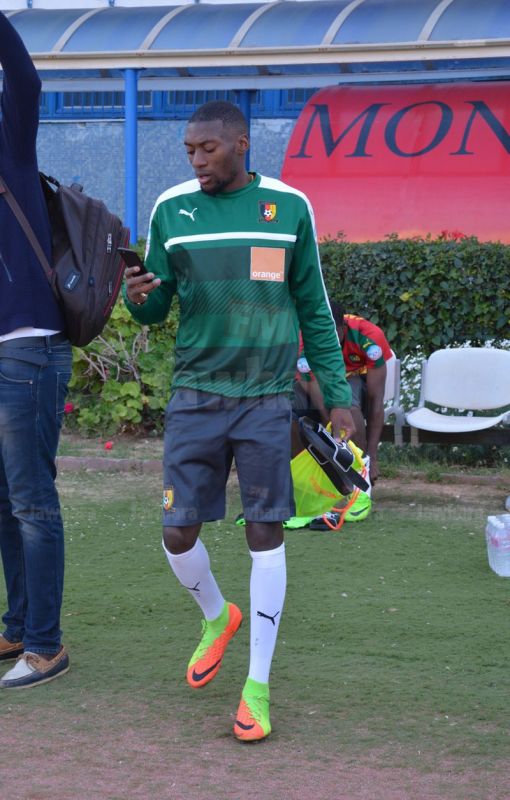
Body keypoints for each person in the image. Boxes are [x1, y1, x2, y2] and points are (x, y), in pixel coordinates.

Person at [123, 100, 354, 741]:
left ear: (242, 144)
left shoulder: (288, 207)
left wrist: (337, 396)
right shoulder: (172, 209)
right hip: (196, 395)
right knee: (177, 532)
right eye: (190, 151)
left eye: (208, 149)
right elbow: (157, 305)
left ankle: (257, 686)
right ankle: (216, 616)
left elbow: (314, 305)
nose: (196, 161)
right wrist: (138, 298)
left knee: (264, 532)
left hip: (265, 397)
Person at [0, 12, 72, 688]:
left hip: (26, 351)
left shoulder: (10, 145)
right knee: (4, 500)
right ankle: (18, 625)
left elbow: (24, 80)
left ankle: (46, 646)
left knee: (30, 501)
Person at [294, 301, 392, 523]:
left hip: (357, 382)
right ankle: (303, 484)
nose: (327, 340)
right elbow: (313, 387)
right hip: (322, 383)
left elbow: (376, 402)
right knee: (288, 405)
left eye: (333, 334)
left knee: (348, 403)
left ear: (344, 327)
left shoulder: (369, 337)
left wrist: (373, 457)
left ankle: (362, 474)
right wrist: (329, 436)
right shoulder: (305, 340)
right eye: (322, 335)